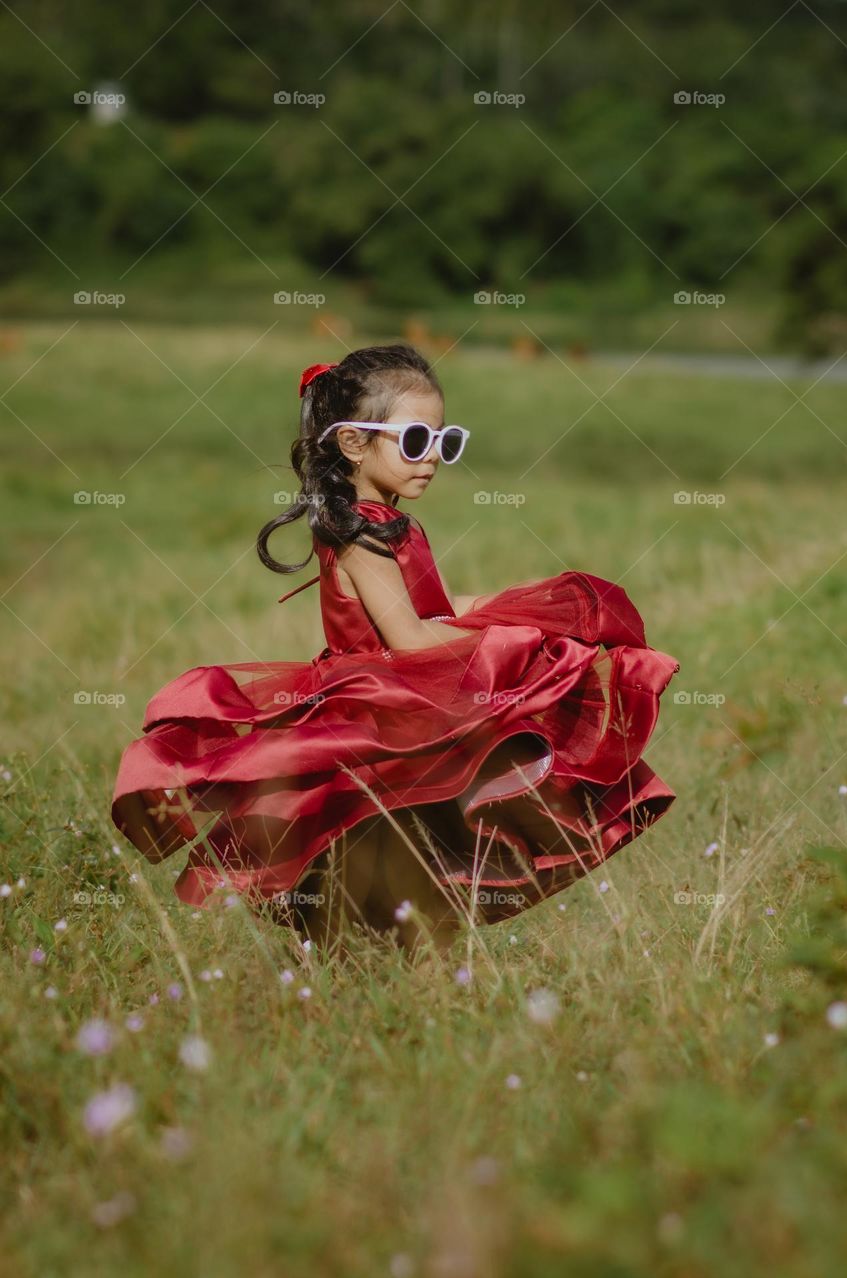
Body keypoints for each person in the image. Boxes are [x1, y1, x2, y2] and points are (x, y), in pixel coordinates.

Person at [111, 342, 680, 958]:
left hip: (407, 700)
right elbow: (408, 636)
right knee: (383, 840)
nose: (431, 457)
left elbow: (434, 607)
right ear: (354, 443)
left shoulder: (387, 523)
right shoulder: (358, 533)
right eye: (414, 441)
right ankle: (362, 950)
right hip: (381, 707)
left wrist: (512, 605)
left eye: (444, 441)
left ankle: (388, 953)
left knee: (411, 850)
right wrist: (511, 638)